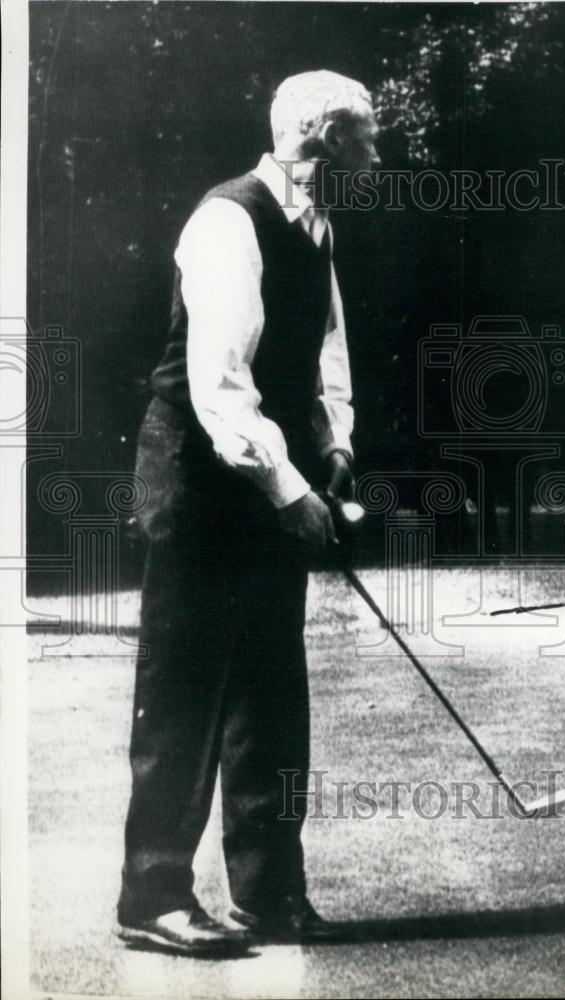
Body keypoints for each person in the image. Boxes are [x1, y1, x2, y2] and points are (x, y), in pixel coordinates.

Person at [116, 70, 380, 955]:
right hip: (199, 471)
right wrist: (292, 492)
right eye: (365, 137)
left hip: (265, 461)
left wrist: (334, 442)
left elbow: (324, 352)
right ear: (321, 136)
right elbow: (219, 387)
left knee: (272, 688)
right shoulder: (228, 220)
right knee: (184, 688)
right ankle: (151, 897)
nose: (375, 155)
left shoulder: (318, 227)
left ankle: (269, 893)